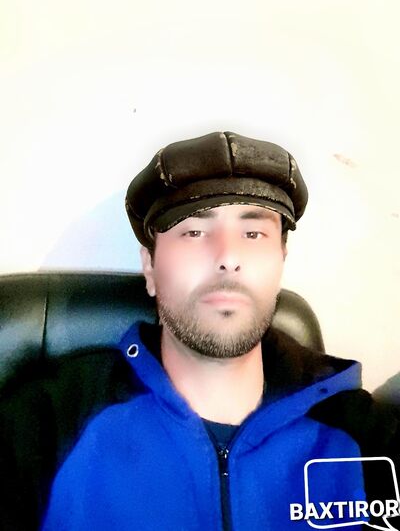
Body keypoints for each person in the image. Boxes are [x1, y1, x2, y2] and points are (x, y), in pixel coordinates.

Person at [41, 131, 400, 530]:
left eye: (253, 234)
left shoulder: (365, 435)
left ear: (281, 260)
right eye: (194, 232)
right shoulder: (49, 426)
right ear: (150, 268)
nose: (228, 257)